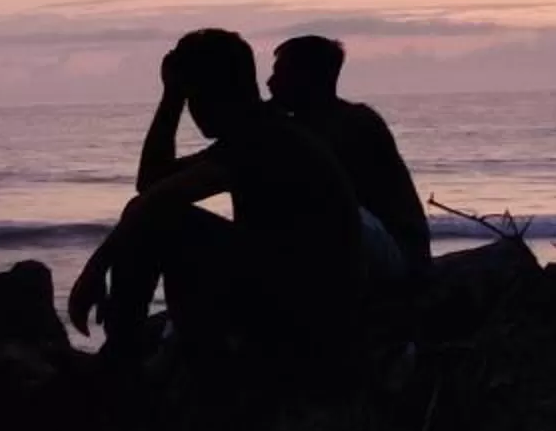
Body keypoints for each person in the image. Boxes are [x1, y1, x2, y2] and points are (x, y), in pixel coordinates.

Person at [67, 29, 378, 362]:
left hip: (311, 316)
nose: (193, 111)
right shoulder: (257, 132)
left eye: (193, 98)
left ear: (213, 93)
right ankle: (138, 354)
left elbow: (154, 202)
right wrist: (171, 98)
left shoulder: (263, 139)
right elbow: (152, 182)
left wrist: (95, 270)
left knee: (162, 219)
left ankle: (122, 359)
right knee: (155, 214)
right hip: (303, 299)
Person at [269, 35, 431, 275]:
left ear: (306, 78)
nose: (270, 83)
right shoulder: (297, 126)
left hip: (395, 253)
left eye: (280, 73)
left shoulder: (353, 123)